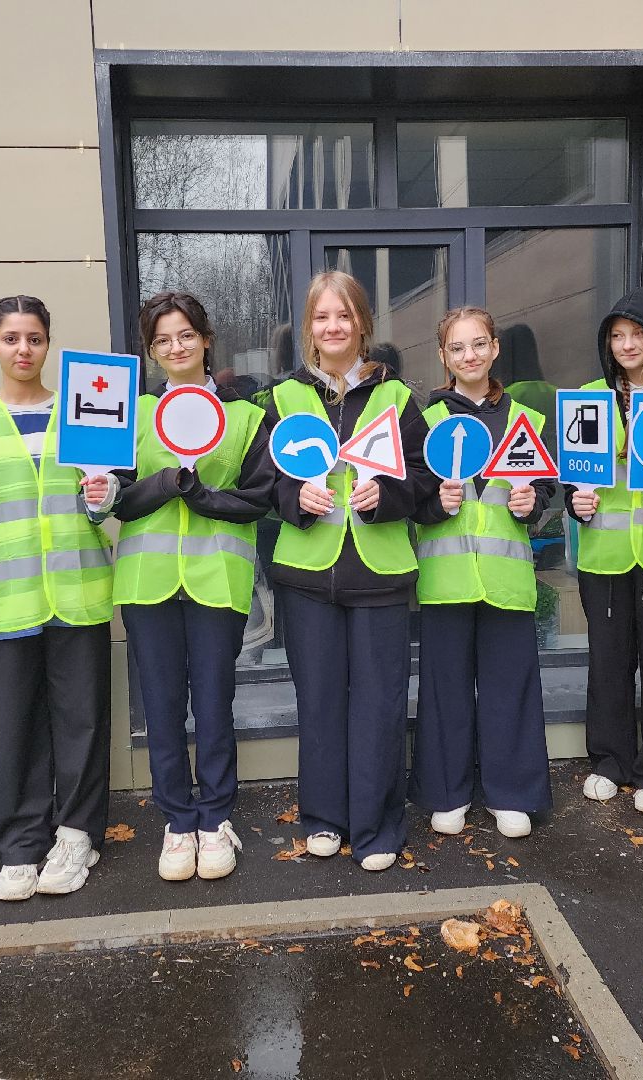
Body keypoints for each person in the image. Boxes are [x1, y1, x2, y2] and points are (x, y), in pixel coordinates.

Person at [265, 270, 438, 871]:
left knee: (380, 704)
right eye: (320, 317)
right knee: (318, 702)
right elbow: (266, 482)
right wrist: (296, 499)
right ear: (308, 328)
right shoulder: (285, 397)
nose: (332, 327)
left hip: (378, 576)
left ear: (362, 323)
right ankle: (323, 819)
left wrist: (383, 498)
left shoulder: (395, 397)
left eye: (343, 316)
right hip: (307, 576)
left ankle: (378, 825)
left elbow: (421, 479)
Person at [0, 295, 113, 902]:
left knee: (82, 722)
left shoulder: (83, 412)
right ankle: (19, 843)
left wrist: (101, 495)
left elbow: (102, 507)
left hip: (78, 591)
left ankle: (77, 835)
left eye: (35, 339)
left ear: (49, 344)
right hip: (4, 601)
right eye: (11, 338)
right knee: (11, 726)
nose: (23, 350)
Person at [111, 291, 273, 881]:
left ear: (206, 339)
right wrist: (159, 484)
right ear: (151, 352)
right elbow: (118, 500)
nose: (174, 348)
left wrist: (198, 492)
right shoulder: (127, 415)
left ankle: (214, 817)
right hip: (147, 582)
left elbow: (256, 502)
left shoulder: (249, 416)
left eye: (185, 335)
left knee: (213, 705)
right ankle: (177, 822)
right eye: (161, 340)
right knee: (160, 707)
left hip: (216, 581)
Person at [410, 306, 554, 839]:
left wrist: (529, 502)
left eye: (478, 344)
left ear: (494, 349)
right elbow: (413, 502)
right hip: (446, 579)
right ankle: (446, 792)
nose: (468, 355)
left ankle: (511, 792)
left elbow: (544, 494)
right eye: (456, 348)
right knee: (445, 688)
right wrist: (434, 503)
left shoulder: (527, 421)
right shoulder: (426, 421)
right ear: (444, 357)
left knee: (508, 686)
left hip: (507, 578)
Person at [566, 289, 643, 814]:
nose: (627, 344)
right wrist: (578, 501)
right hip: (605, 557)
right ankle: (610, 760)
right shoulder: (590, 397)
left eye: (638, 333)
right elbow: (573, 488)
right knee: (609, 665)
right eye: (617, 335)